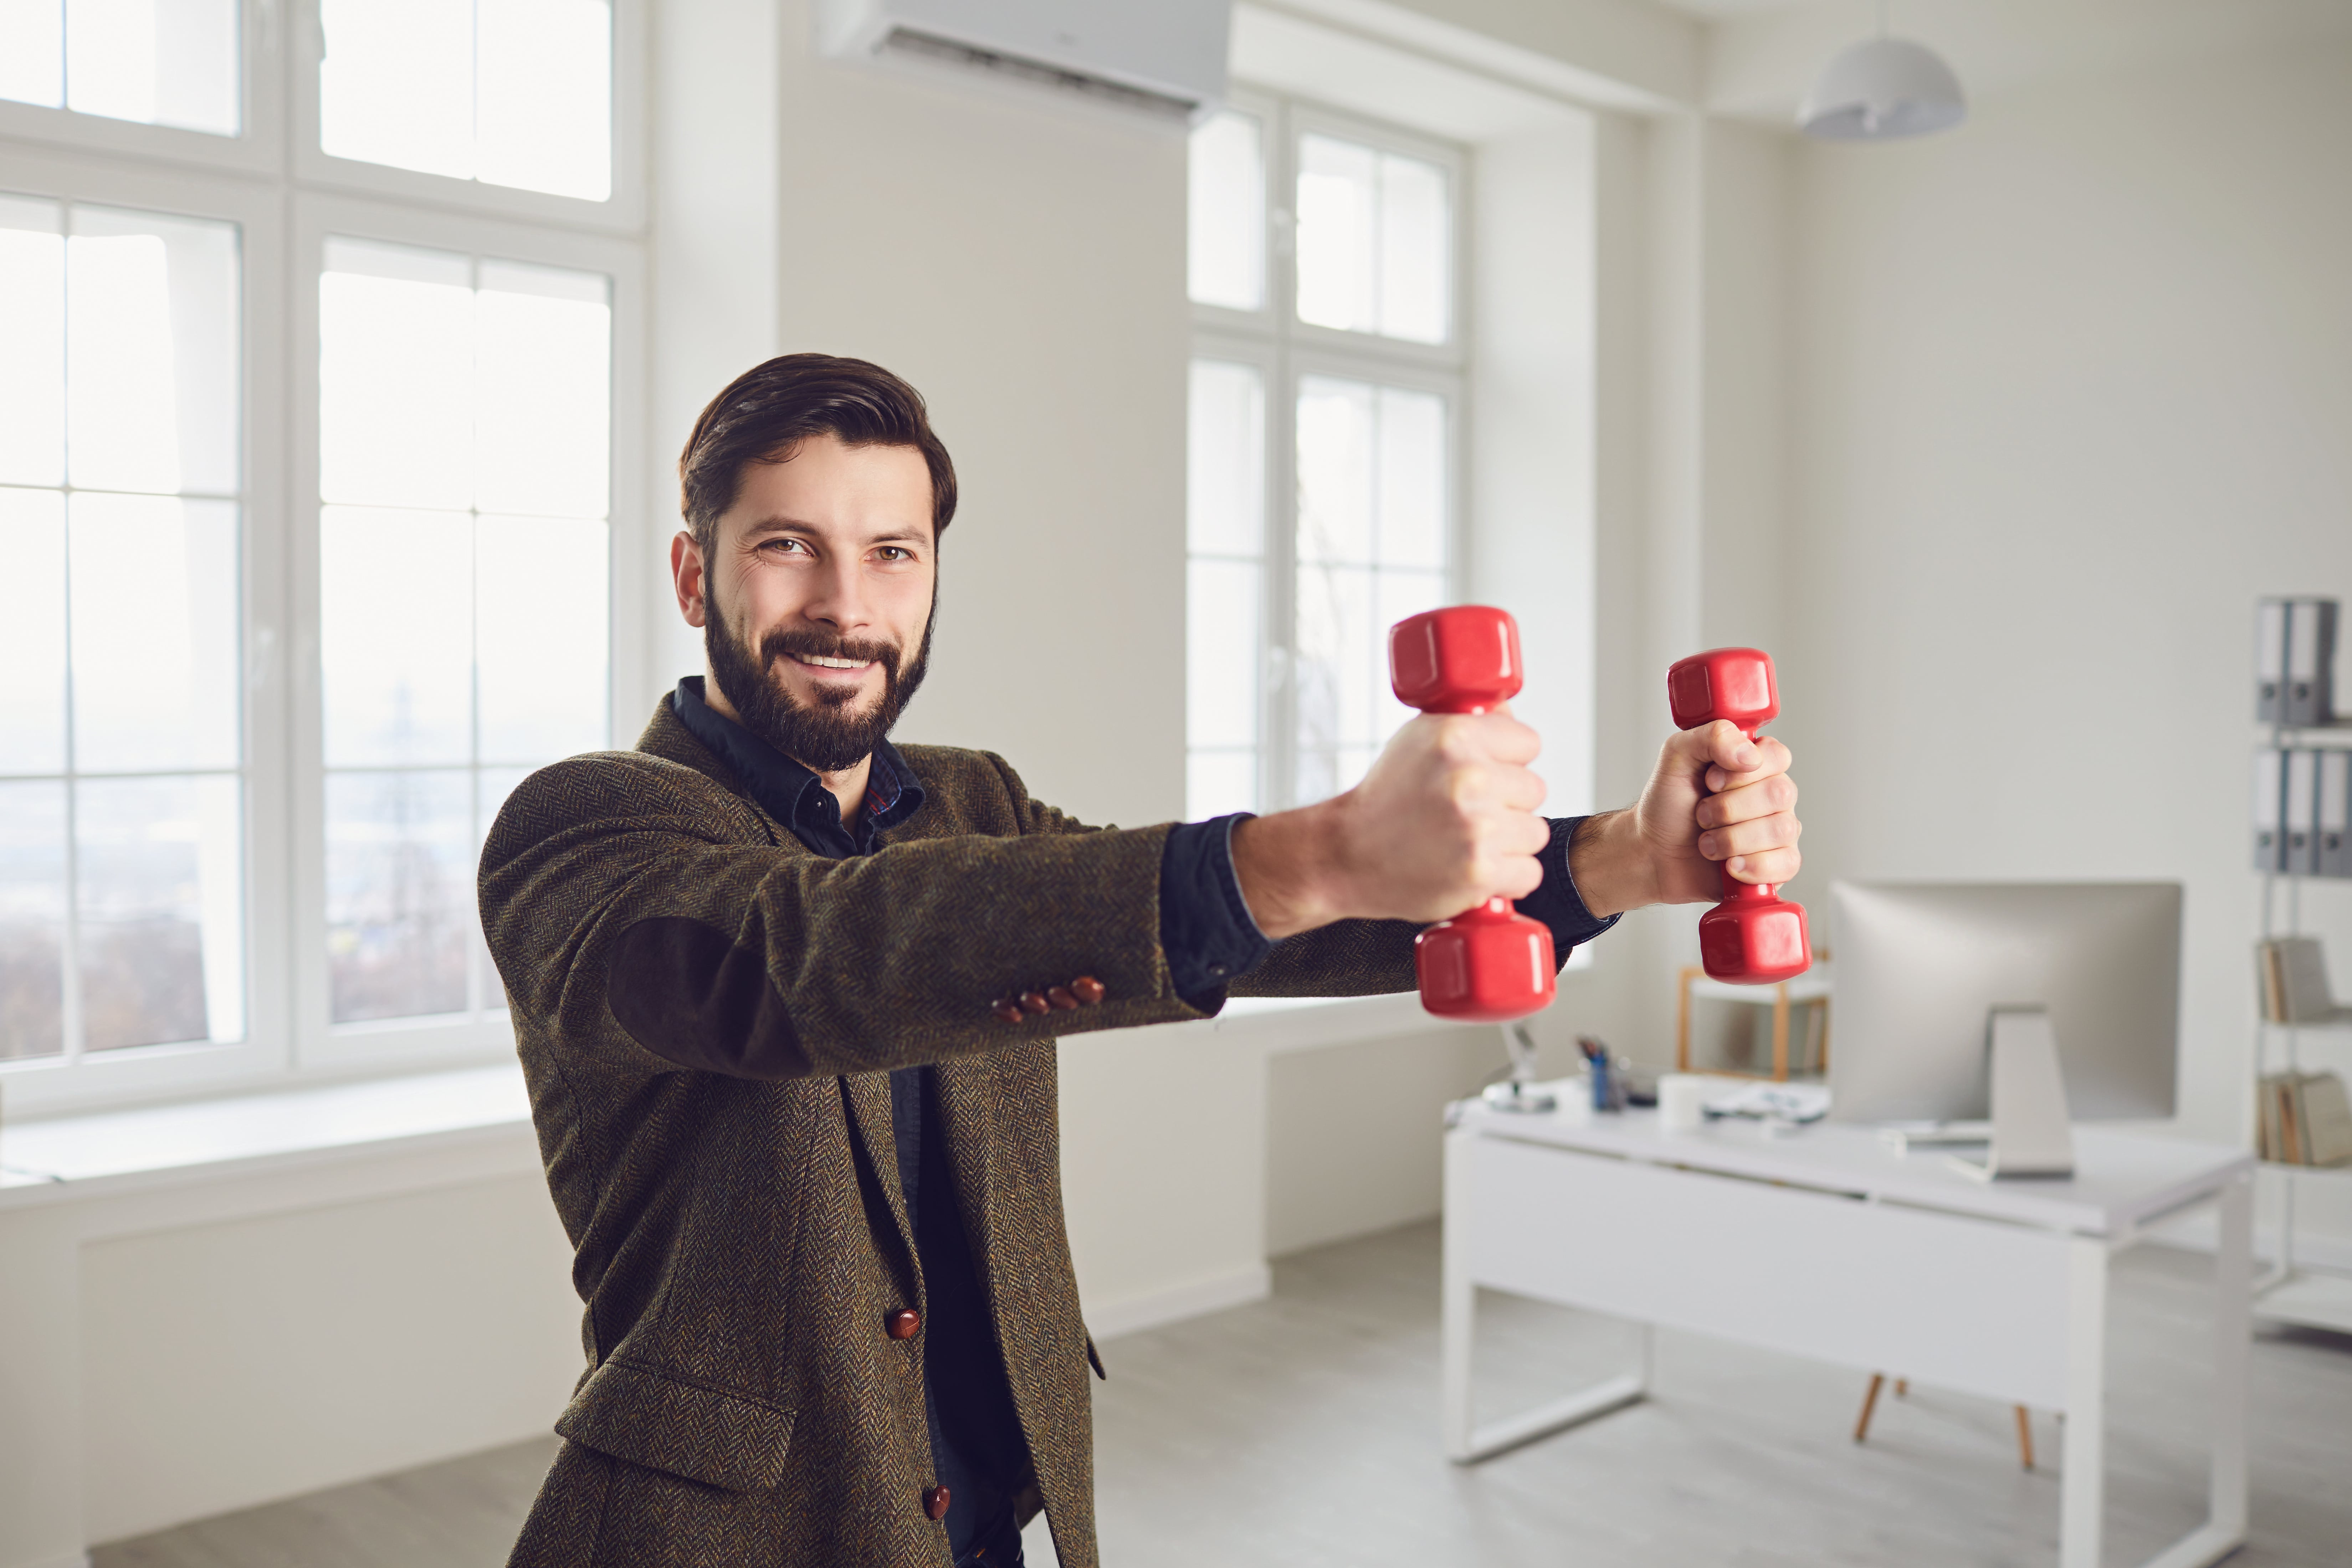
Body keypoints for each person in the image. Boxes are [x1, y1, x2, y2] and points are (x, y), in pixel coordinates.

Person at [481, 354, 1802, 1568]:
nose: (846, 604)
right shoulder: (588, 828)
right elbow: (811, 958)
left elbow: (1219, 927)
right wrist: (1324, 846)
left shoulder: (973, 800)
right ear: (690, 574)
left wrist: (1619, 860)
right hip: (725, 1535)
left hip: (989, 1513)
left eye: (893, 552)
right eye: (787, 547)